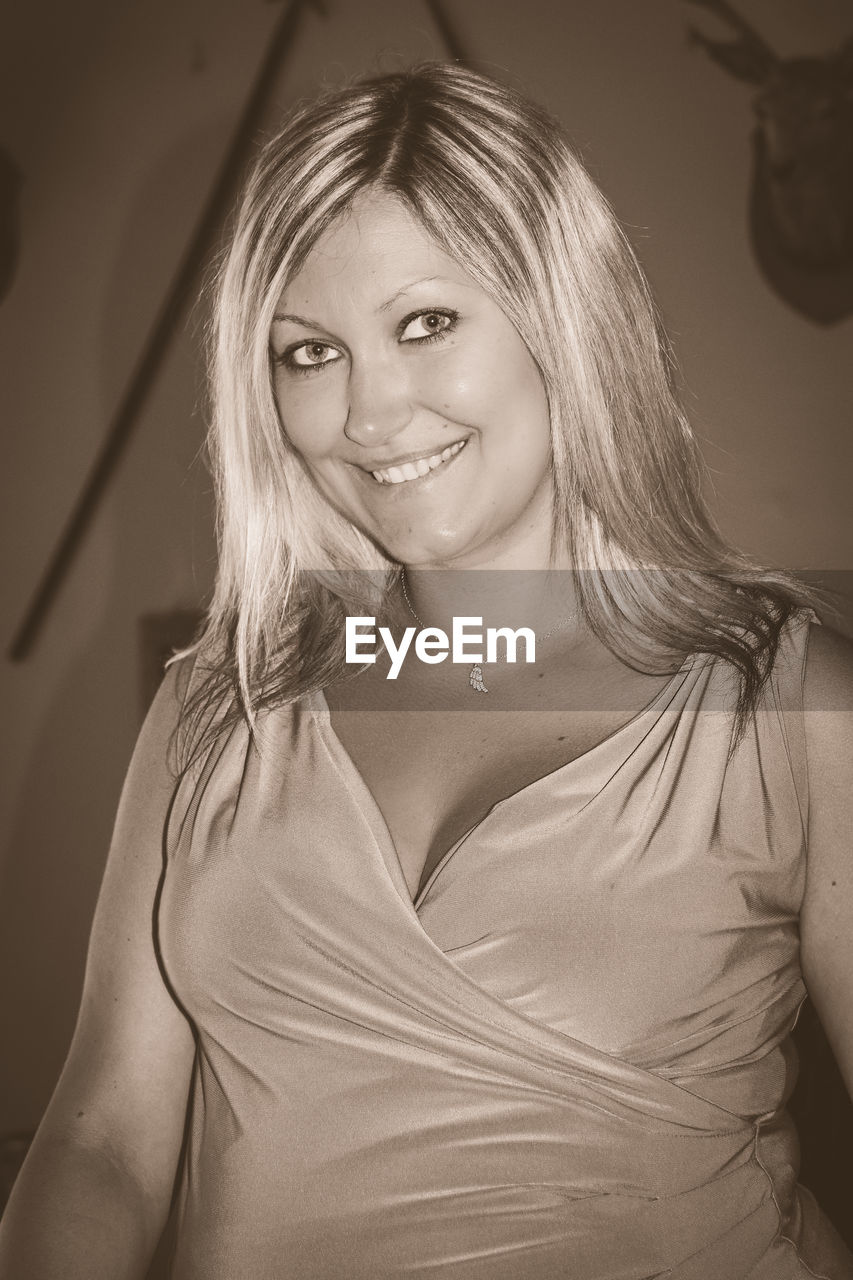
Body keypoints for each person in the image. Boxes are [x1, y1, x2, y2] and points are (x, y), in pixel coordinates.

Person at [1, 61, 851, 1280]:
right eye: (307, 352)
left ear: (562, 319)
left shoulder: (791, 705)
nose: (368, 412)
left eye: (425, 322)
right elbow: (106, 1143)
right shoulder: (218, 698)